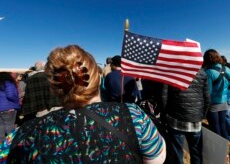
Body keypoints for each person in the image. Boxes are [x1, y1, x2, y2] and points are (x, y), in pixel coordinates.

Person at [0, 45, 166, 163]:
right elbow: (157, 158)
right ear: (97, 79)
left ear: (54, 87)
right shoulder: (134, 116)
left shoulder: (20, 136)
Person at [161, 69, 211, 164]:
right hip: (193, 119)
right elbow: (207, 98)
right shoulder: (201, 72)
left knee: (177, 152)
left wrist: (165, 114)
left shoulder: (170, 72)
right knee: (196, 151)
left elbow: (164, 98)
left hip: (176, 118)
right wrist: (201, 116)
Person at [203, 49, 230, 140]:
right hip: (224, 102)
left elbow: (208, 93)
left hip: (213, 104)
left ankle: (218, 151)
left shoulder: (208, 72)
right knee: (223, 125)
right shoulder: (226, 69)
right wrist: (226, 85)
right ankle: (225, 147)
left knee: (215, 128)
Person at [0, 72, 20, 141]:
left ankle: (2, 146)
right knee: (10, 127)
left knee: (1, 128)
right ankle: (10, 145)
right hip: (9, 108)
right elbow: (11, 95)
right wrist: (16, 100)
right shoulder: (8, 83)